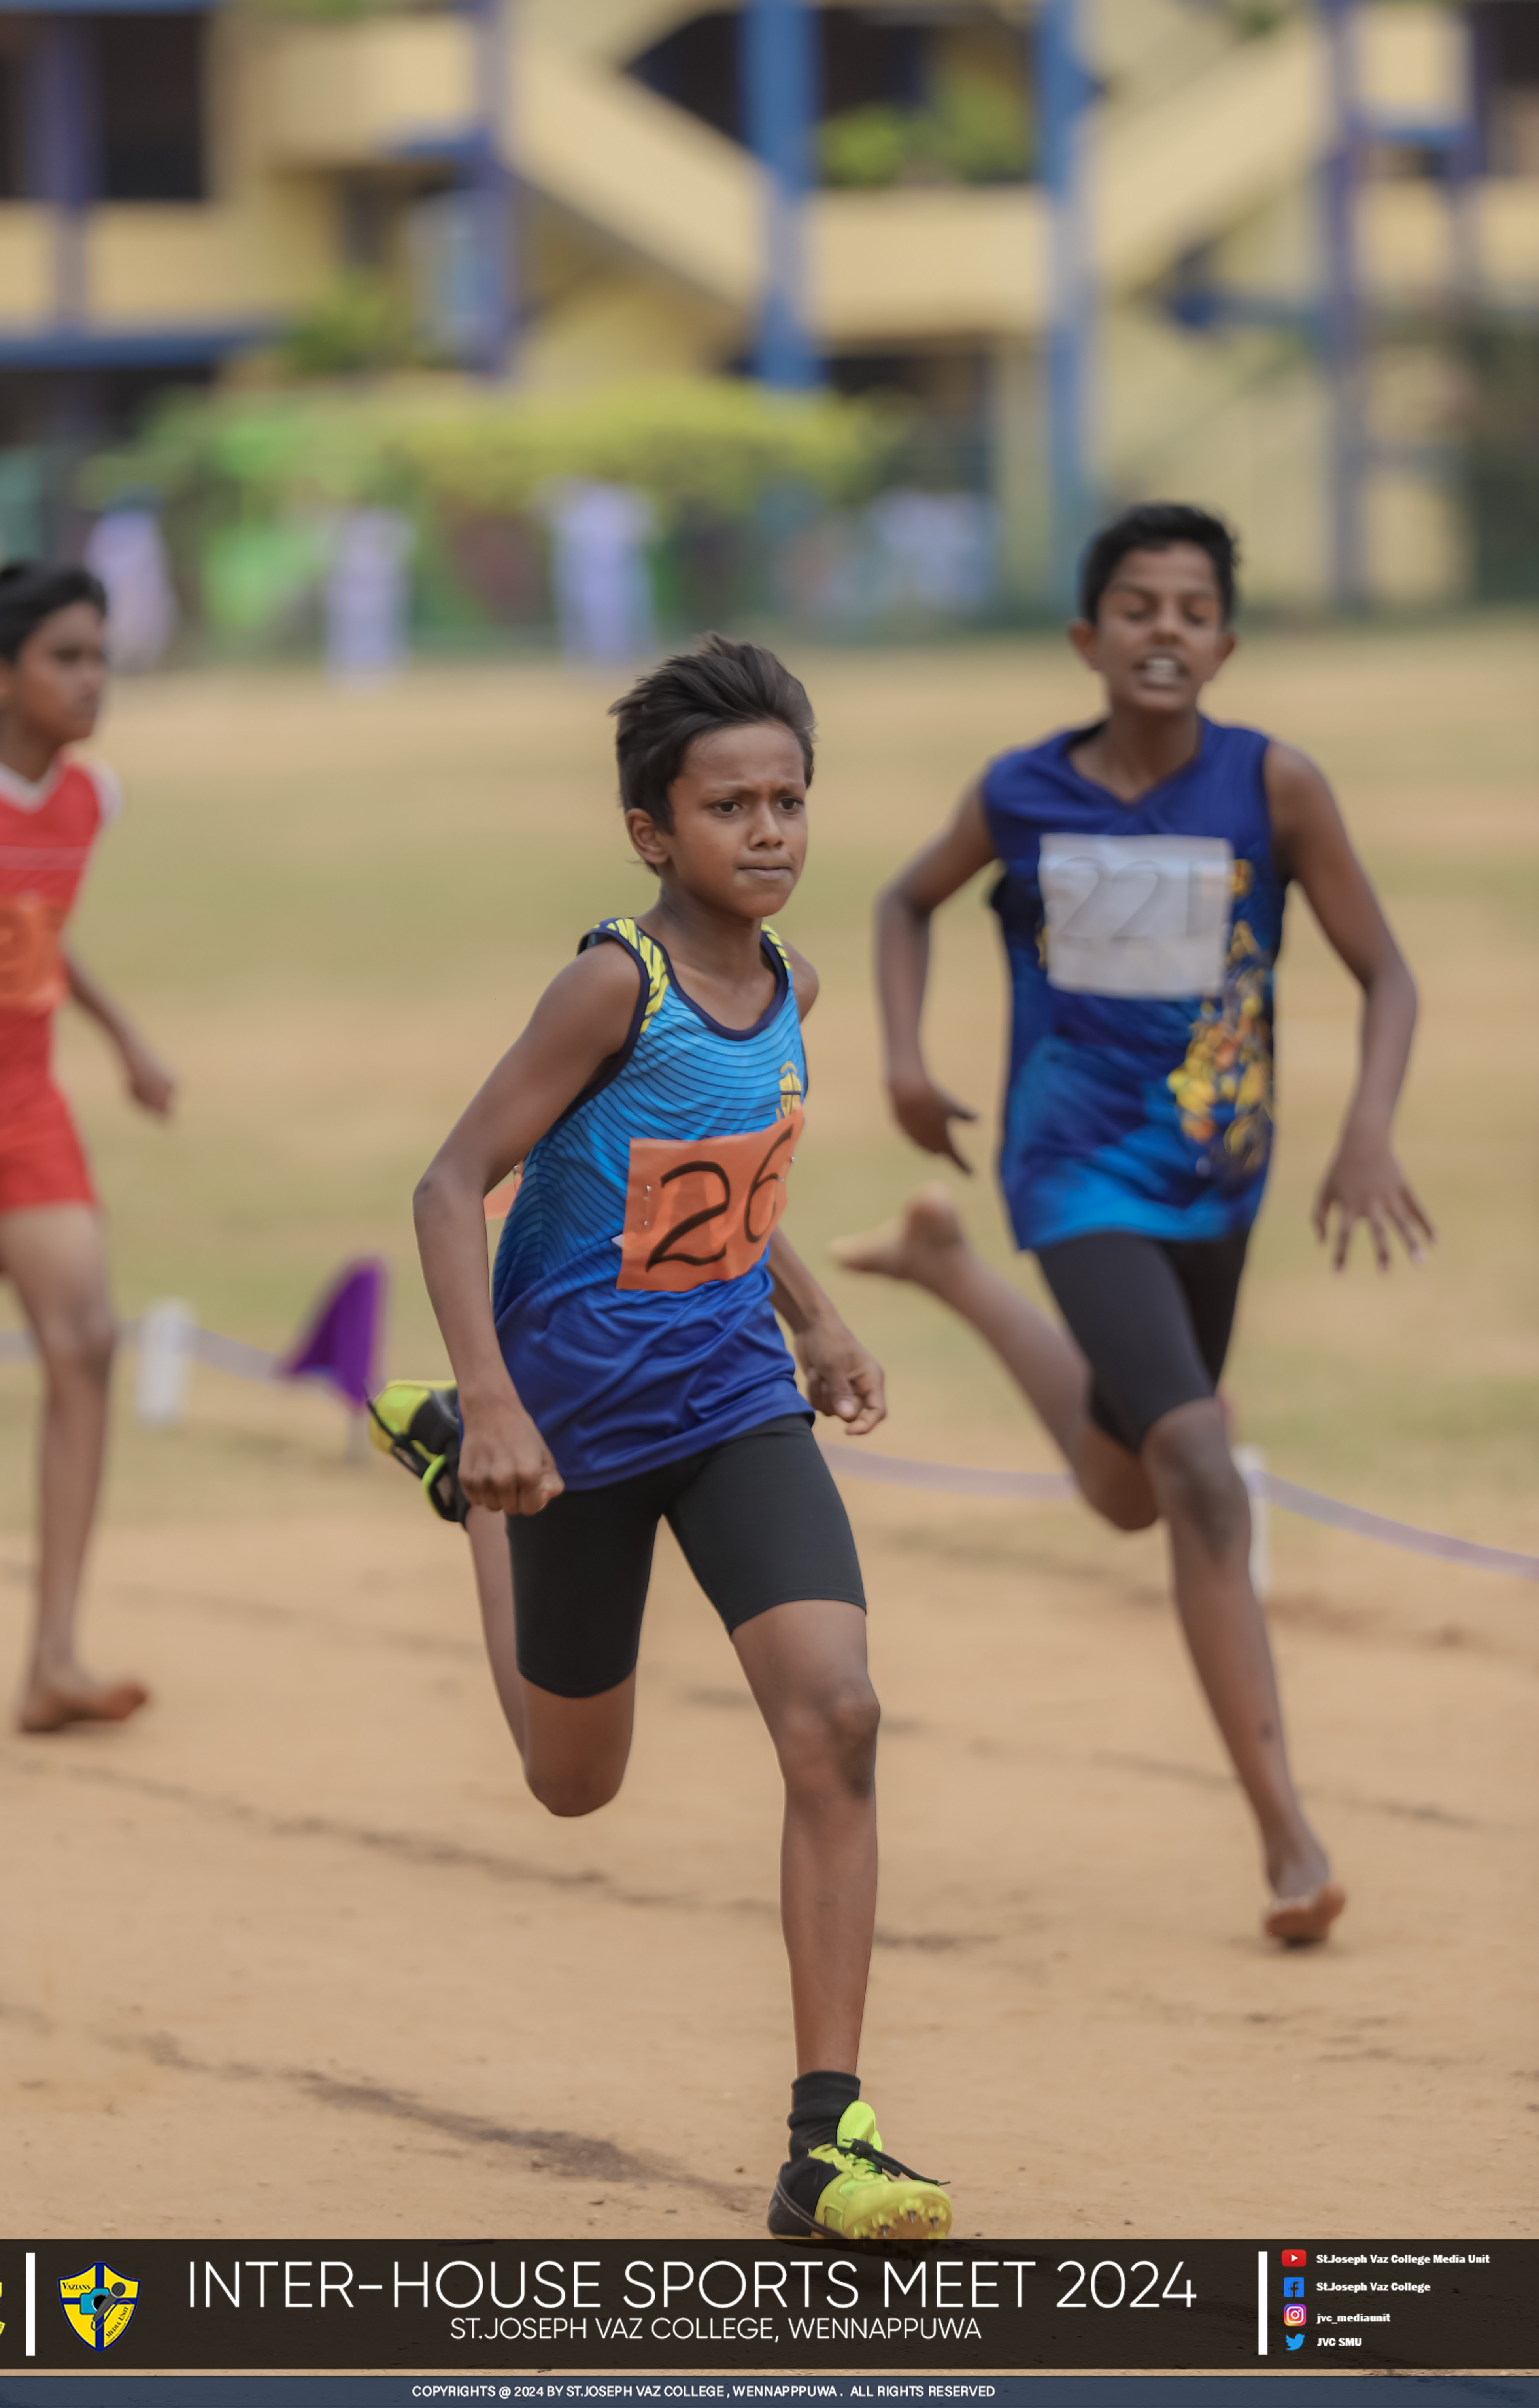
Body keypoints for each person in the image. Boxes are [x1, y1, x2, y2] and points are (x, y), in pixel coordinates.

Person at [371, 636, 951, 2242]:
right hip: (570, 1428)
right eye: (726, 806)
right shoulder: (610, 984)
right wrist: (490, 1405)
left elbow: (725, 1186)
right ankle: (470, 1489)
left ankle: (826, 2141)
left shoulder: (790, 989)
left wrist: (815, 1318)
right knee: (575, 1787)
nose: (765, 832)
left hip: (727, 1406)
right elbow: (444, 1185)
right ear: (650, 829)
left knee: (834, 1715)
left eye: (787, 801)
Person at [837, 503, 1431, 1948]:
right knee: (1201, 1473)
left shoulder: (1273, 787)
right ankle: (1290, 1838)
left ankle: (949, 1273)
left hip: (1217, 1181)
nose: (1164, 628)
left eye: (1191, 609)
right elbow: (904, 902)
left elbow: (1389, 975)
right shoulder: (1022, 791)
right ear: (1086, 639)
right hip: (1073, 1169)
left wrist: (1365, 1132)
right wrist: (907, 1060)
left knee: (1126, 1488)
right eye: (1136, 605)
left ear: (1225, 644)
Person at [0, 561, 176, 1730]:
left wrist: (122, 1039)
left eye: (100, 655)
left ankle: (52, 1659)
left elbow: (31, 932)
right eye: (65, 657)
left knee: (86, 1341)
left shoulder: (90, 801)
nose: (92, 678)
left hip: (18, 1110)